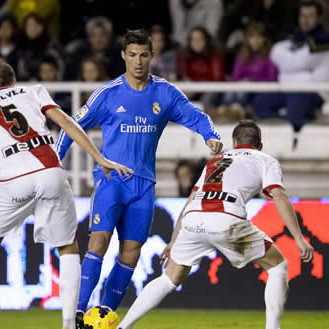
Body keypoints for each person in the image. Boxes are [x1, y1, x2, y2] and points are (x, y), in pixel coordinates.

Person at [0, 62, 133, 329]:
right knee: (68, 245)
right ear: (13, 83)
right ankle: (70, 324)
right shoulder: (33, 91)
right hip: (50, 172)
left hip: (12, 180)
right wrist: (99, 157)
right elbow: (66, 123)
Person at [55, 29, 222, 327]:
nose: (138, 61)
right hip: (111, 181)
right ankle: (77, 314)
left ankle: (101, 316)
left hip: (144, 186)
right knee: (98, 242)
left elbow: (195, 115)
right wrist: (55, 163)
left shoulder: (165, 93)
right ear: (123, 56)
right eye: (132, 55)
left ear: (152, 55)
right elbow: (71, 125)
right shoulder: (108, 93)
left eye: (143, 55)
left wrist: (210, 136)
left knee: (130, 253)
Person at [117, 120, 314, 329]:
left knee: (169, 278)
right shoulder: (266, 160)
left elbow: (190, 202)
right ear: (260, 145)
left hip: (193, 219)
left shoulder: (215, 161)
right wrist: (299, 239)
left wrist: (174, 241)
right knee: (278, 266)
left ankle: (123, 326)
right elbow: (279, 196)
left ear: (235, 142)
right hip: (226, 219)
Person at [252, 0, 329, 131]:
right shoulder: (297, 36)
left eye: (310, 16)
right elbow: (275, 52)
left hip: (314, 91)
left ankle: (296, 134)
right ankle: (284, 127)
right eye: (302, 16)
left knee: (294, 115)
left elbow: (300, 62)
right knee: (260, 103)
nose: (305, 20)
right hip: (290, 89)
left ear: (318, 18)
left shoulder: (324, 40)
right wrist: (294, 64)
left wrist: (288, 63)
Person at [214, 22, 277, 121]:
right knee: (230, 89)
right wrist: (243, 82)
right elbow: (235, 77)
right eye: (252, 37)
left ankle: (233, 112)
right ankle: (224, 111)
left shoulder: (271, 55)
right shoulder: (241, 55)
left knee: (241, 90)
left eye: (259, 37)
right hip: (240, 86)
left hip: (259, 89)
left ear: (265, 38)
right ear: (247, 39)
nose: (256, 41)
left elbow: (272, 78)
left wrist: (252, 80)